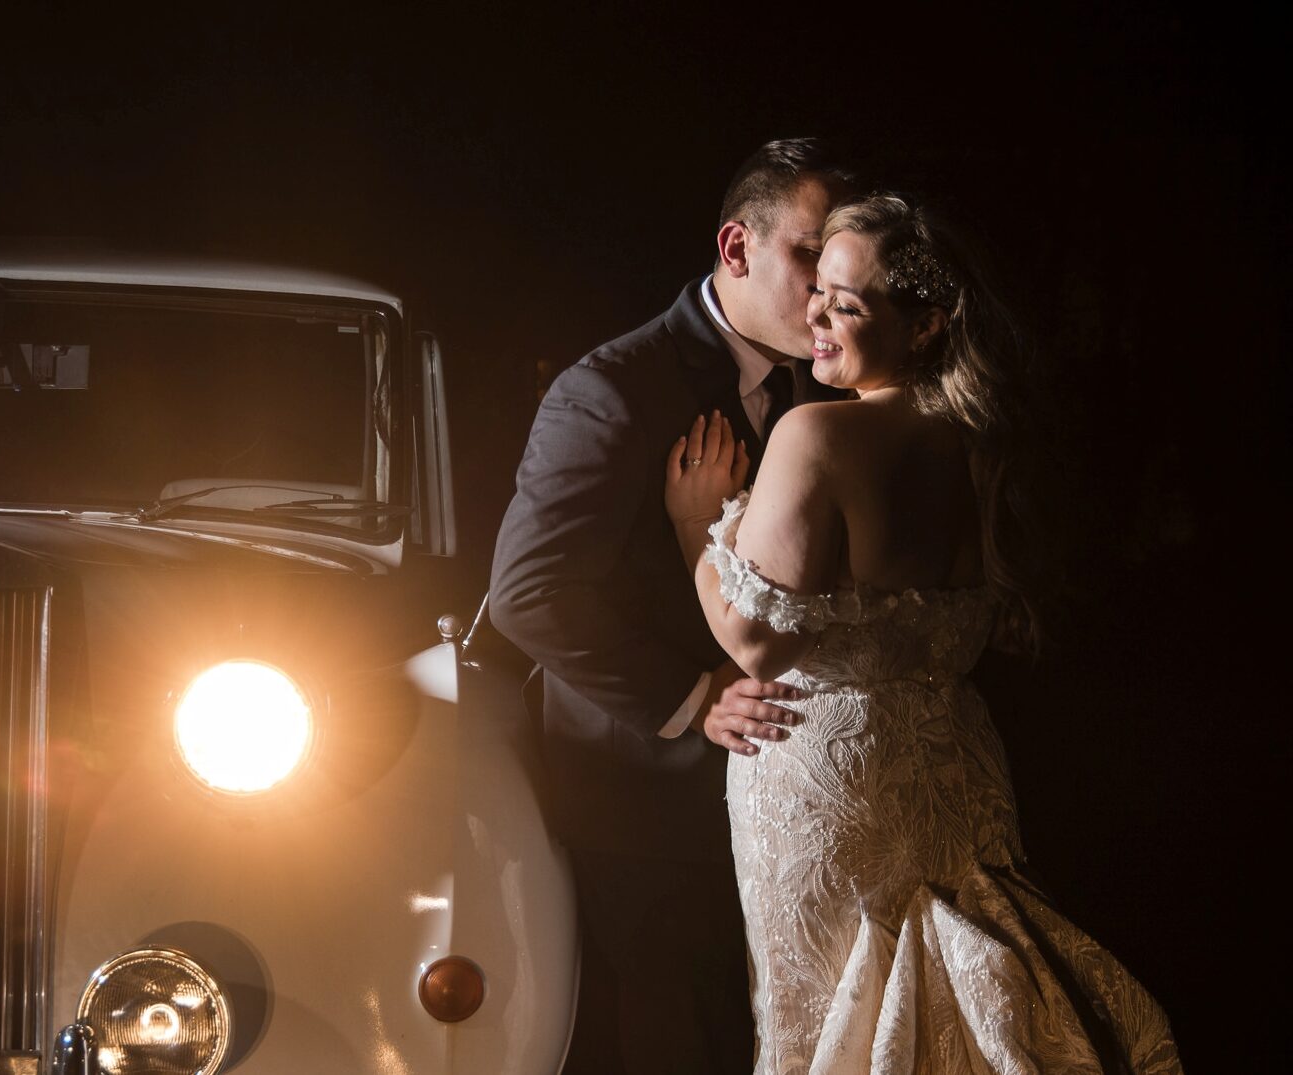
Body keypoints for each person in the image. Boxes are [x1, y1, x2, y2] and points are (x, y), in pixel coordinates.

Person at [663, 194, 1183, 1073]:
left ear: (927, 325)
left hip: (828, 783)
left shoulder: (816, 433)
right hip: (957, 766)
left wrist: (694, 529)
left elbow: (757, 644)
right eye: (817, 290)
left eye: (848, 304)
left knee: (835, 1025)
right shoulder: (987, 441)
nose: (815, 316)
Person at [488, 138, 860, 1073]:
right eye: (807, 254)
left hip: (791, 790)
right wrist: (692, 699)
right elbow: (527, 594)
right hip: (646, 800)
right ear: (736, 249)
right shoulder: (611, 391)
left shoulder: (830, 383)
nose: (825, 288)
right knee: (670, 1037)